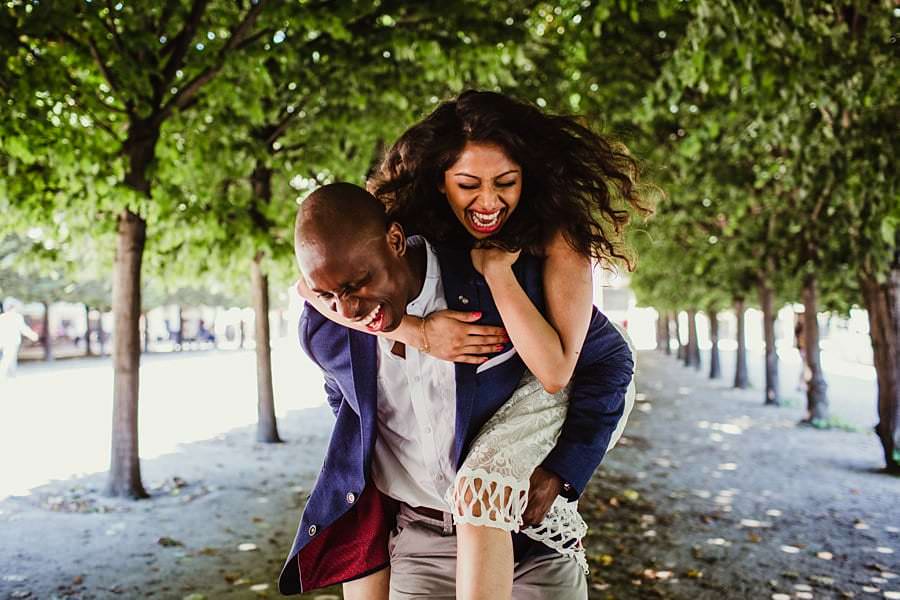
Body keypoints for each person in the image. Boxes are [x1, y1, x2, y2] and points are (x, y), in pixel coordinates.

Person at [281, 183, 634, 599]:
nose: (348, 310)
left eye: (358, 284)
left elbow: (609, 361)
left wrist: (565, 468)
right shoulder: (325, 328)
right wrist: (418, 335)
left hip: (529, 540)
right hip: (419, 544)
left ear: (395, 241)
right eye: (328, 296)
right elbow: (345, 399)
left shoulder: (490, 281)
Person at [368, 90, 647, 599]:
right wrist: (416, 330)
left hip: (527, 528)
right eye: (468, 184)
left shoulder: (556, 242)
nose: (489, 202)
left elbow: (572, 371)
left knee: (482, 488)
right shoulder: (408, 242)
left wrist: (498, 273)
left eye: (506, 183)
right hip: (426, 534)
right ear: (439, 182)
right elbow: (317, 291)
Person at [0, 301, 39, 379]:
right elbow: (23, 329)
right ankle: (4, 375)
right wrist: (33, 335)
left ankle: (11, 376)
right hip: (12, 341)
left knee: (10, 359)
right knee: (8, 359)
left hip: (3, 342)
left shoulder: (2, 317)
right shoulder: (16, 317)